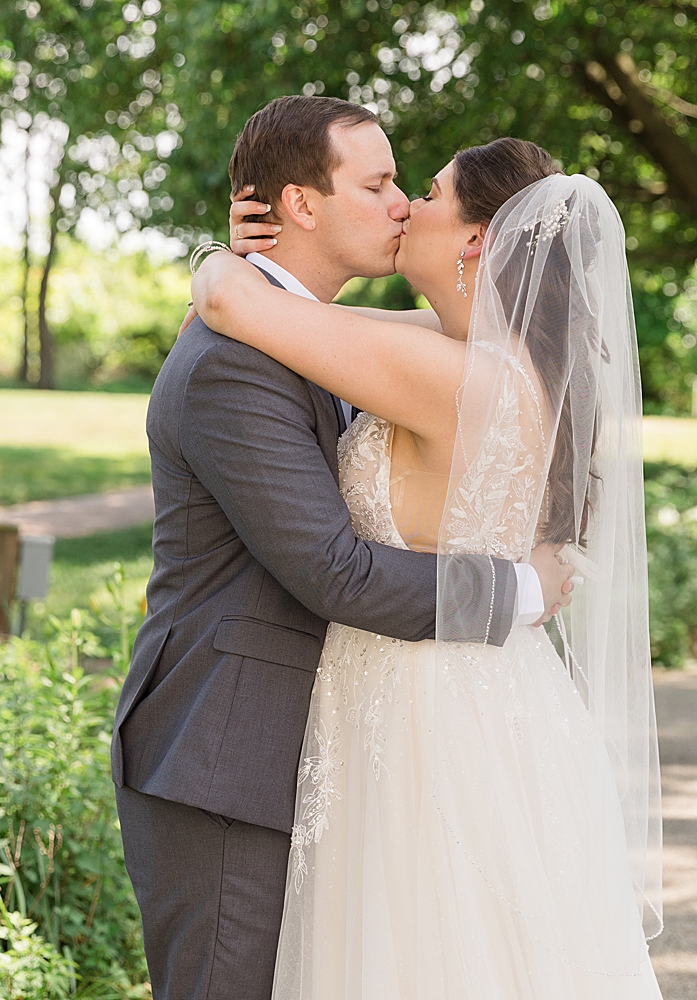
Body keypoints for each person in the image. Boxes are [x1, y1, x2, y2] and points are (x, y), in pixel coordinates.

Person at [112, 97, 577, 1000]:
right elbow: (334, 568)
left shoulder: (347, 342)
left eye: (413, 186)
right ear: (301, 205)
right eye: (378, 183)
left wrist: (222, 271)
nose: (403, 202)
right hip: (227, 755)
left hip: (373, 737)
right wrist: (518, 592)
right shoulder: (240, 355)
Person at [190, 136, 663, 998]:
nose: (408, 204)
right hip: (498, 692)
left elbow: (228, 303)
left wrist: (226, 258)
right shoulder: (505, 358)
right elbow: (324, 319)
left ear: (478, 239)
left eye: (432, 192)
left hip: (417, 705)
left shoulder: (447, 375)